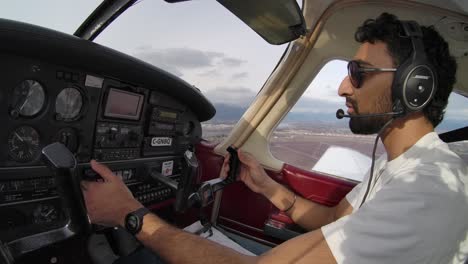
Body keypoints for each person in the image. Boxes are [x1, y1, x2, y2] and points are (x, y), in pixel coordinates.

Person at [82, 13, 468, 263]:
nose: (342, 87)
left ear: (414, 88)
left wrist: (130, 216)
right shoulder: (402, 165)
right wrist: (266, 187)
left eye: (359, 71)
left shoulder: (429, 190)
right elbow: (333, 219)